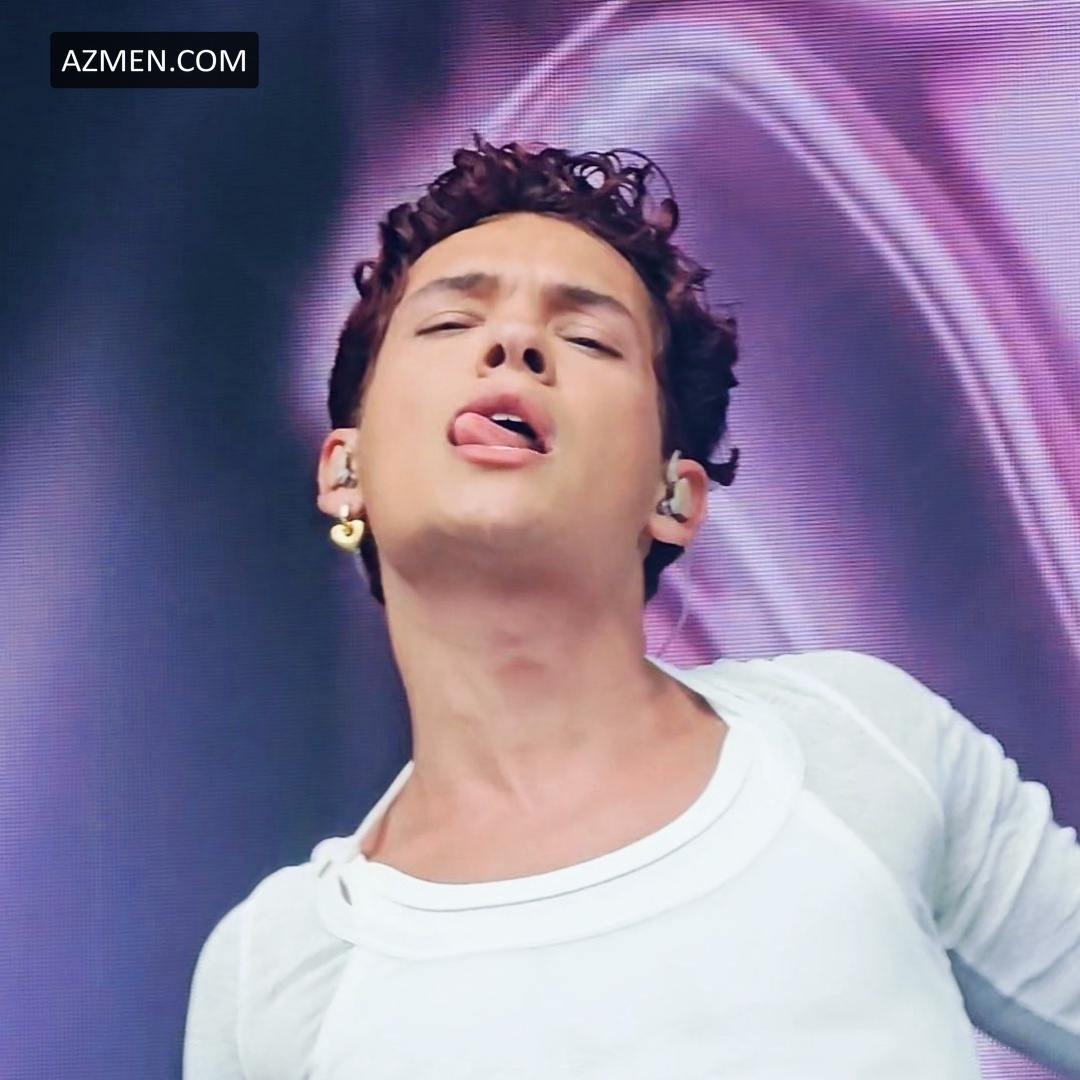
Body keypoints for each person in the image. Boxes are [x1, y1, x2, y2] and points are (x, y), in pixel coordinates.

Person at [183, 139, 1080, 1079]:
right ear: (345, 470)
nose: (514, 346)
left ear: (674, 496)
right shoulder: (274, 972)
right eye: (450, 322)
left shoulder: (858, 743)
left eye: (588, 339)